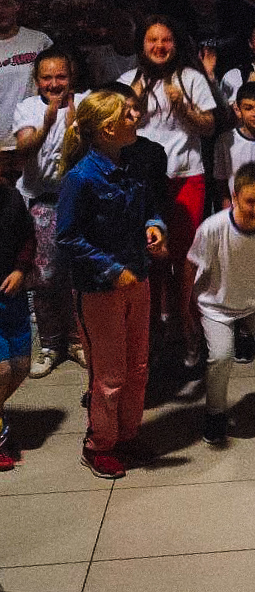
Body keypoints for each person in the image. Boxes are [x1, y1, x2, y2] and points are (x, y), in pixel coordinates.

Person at [57, 90, 167, 479]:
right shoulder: (81, 178)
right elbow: (67, 237)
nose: (135, 117)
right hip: (101, 289)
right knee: (109, 373)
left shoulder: (131, 167)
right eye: (127, 114)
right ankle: (99, 444)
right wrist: (110, 269)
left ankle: (127, 434)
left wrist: (154, 225)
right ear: (107, 128)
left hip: (137, 278)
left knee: (138, 366)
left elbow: (149, 208)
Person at [119, 17, 217, 365]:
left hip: (187, 176)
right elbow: (115, 128)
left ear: (175, 45)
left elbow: (209, 127)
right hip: (143, 181)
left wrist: (183, 105)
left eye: (166, 40)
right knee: (150, 259)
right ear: (142, 45)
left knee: (185, 260)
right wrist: (135, 100)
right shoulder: (127, 81)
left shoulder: (191, 78)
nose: (159, 46)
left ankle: (188, 332)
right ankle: (153, 337)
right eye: (153, 40)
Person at [185, 162, 255, 443]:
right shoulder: (214, 228)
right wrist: (184, 309)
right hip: (216, 304)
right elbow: (190, 265)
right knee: (221, 356)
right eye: (250, 201)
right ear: (235, 197)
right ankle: (215, 412)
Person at [13, 48, 88, 378]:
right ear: (37, 80)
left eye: (61, 76)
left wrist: (75, 129)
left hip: (78, 202)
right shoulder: (28, 107)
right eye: (47, 77)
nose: (54, 83)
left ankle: (77, 340)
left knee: (76, 275)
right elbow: (24, 149)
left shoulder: (85, 103)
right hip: (40, 202)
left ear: (72, 77)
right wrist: (47, 123)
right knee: (44, 278)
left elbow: (91, 150)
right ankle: (50, 344)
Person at [0, 151, 34, 470]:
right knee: (2, 371)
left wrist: (21, 269)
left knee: (21, 366)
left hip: (12, 295)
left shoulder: (12, 198)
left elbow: (27, 237)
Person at [0, 0, 52, 148]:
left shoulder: (38, 41)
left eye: (6, 4)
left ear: (17, 6)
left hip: (33, 137)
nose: (1, 10)